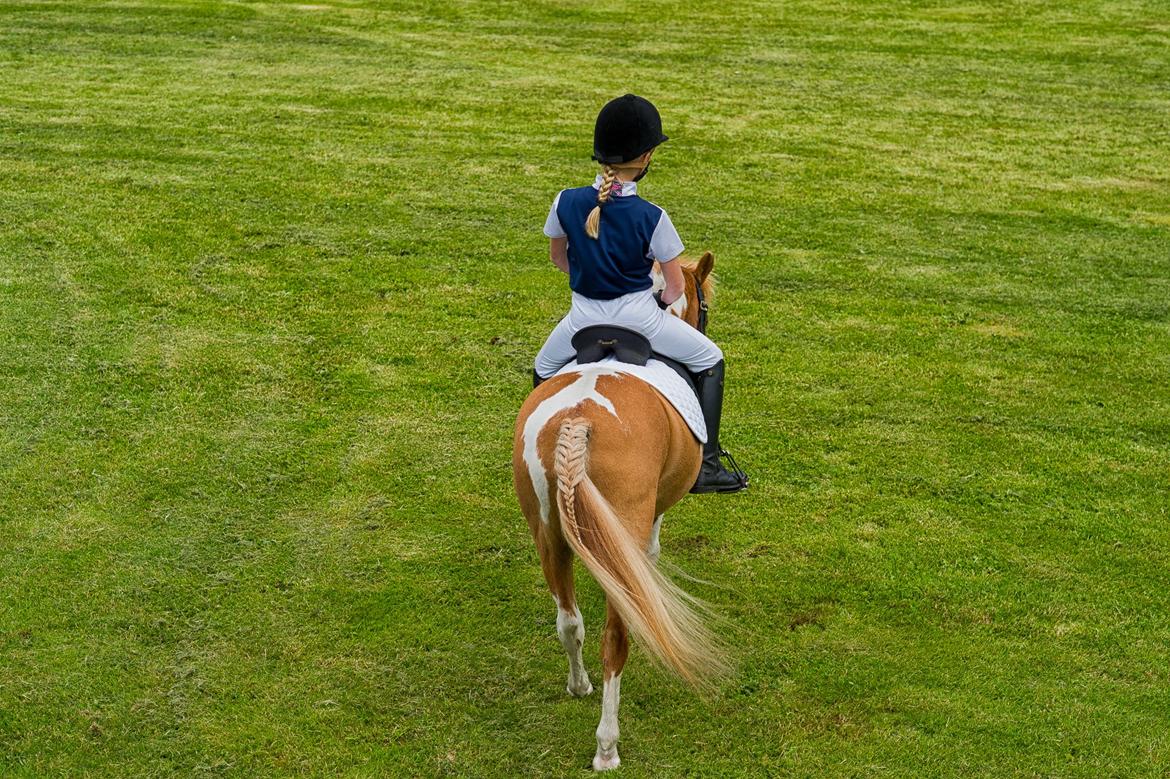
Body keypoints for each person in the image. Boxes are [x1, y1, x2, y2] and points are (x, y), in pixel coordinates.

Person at [534, 94, 748, 494]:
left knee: (543, 370)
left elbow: (558, 258)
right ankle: (708, 465)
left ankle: (540, 451)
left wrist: (588, 275)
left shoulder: (565, 201)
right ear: (646, 157)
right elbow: (676, 287)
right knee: (711, 359)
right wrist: (661, 303)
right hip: (641, 321)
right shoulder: (653, 216)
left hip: (580, 320)